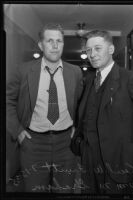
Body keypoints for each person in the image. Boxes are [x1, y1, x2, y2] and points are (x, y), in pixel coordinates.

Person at [70, 30, 133, 194]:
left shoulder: (129, 79)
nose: (92, 54)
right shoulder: (88, 80)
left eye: (97, 48)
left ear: (111, 49)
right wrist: (78, 138)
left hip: (119, 160)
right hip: (88, 160)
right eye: (88, 50)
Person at [6, 23, 83, 193]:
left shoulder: (75, 72)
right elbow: (8, 100)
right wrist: (17, 131)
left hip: (66, 145)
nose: (55, 46)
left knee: (65, 191)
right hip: (33, 145)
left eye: (59, 41)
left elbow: (82, 103)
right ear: (41, 45)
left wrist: (78, 127)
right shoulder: (23, 71)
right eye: (50, 41)